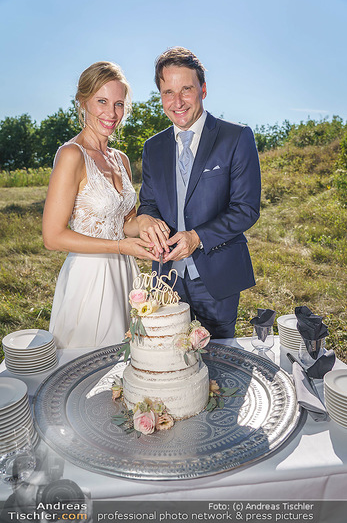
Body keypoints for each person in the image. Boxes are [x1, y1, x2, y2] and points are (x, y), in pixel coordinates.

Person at [42, 61, 169, 350]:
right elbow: (53, 237)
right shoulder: (71, 155)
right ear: (82, 101)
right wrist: (120, 247)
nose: (111, 113)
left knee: (127, 364)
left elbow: (125, 222)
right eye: (102, 101)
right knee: (87, 366)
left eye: (119, 104)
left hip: (124, 274)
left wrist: (145, 222)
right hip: (89, 278)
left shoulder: (120, 159)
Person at [137, 47, 261, 339]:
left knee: (217, 367)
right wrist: (148, 222)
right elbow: (149, 204)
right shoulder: (152, 148)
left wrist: (197, 237)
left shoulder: (236, 137)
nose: (177, 102)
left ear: (203, 89)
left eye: (186, 89)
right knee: (169, 361)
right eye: (168, 92)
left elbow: (246, 208)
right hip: (165, 280)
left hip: (217, 279)